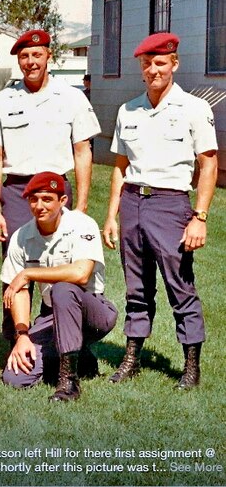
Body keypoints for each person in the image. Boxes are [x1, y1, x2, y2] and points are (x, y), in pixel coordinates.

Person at [103, 32, 218, 390]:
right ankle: (132, 357)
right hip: (133, 204)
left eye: (160, 63)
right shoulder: (129, 109)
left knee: (180, 287)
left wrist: (199, 216)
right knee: (136, 288)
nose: (153, 70)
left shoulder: (195, 109)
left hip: (171, 206)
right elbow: (120, 166)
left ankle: (191, 366)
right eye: (147, 64)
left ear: (174, 64)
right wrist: (111, 214)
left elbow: (209, 164)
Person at [0, 29, 100, 342]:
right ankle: (15, 336)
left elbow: (82, 151)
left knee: (64, 263)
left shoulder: (71, 97)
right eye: (24, 56)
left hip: (59, 192)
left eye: (37, 54)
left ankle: (61, 334)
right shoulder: (3, 100)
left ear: (49, 56)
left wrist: (81, 208)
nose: (31, 62)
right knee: (16, 263)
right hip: (17, 191)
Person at [1, 172, 116, 401]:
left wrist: (29, 273)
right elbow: (18, 290)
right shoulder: (21, 237)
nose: (39, 206)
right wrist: (22, 334)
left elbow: (81, 274)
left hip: (92, 313)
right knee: (15, 378)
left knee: (62, 289)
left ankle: (68, 382)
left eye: (47, 199)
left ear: (62, 201)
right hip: (51, 316)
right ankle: (79, 357)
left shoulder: (83, 224)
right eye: (34, 200)